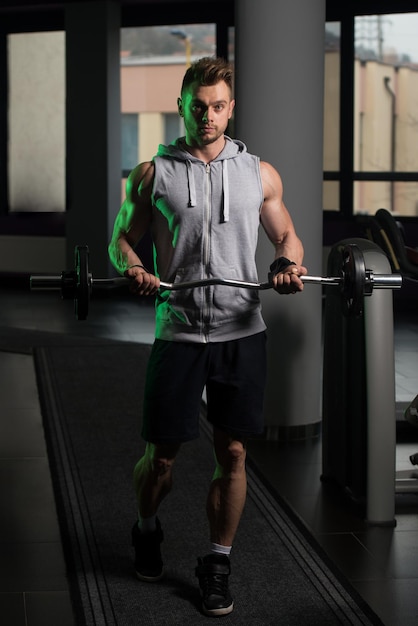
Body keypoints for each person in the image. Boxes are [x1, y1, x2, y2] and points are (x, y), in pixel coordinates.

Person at [108, 56, 307, 618]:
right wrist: (132, 268)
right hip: (179, 330)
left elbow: (287, 235)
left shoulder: (259, 173)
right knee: (162, 458)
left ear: (231, 108)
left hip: (243, 331)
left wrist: (288, 264)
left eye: (218, 106)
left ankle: (217, 562)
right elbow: (120, 240)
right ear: (182, 106)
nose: (209, 116)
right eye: (199, 107)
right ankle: (147, 526)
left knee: (235, 451)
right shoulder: (153, 173)